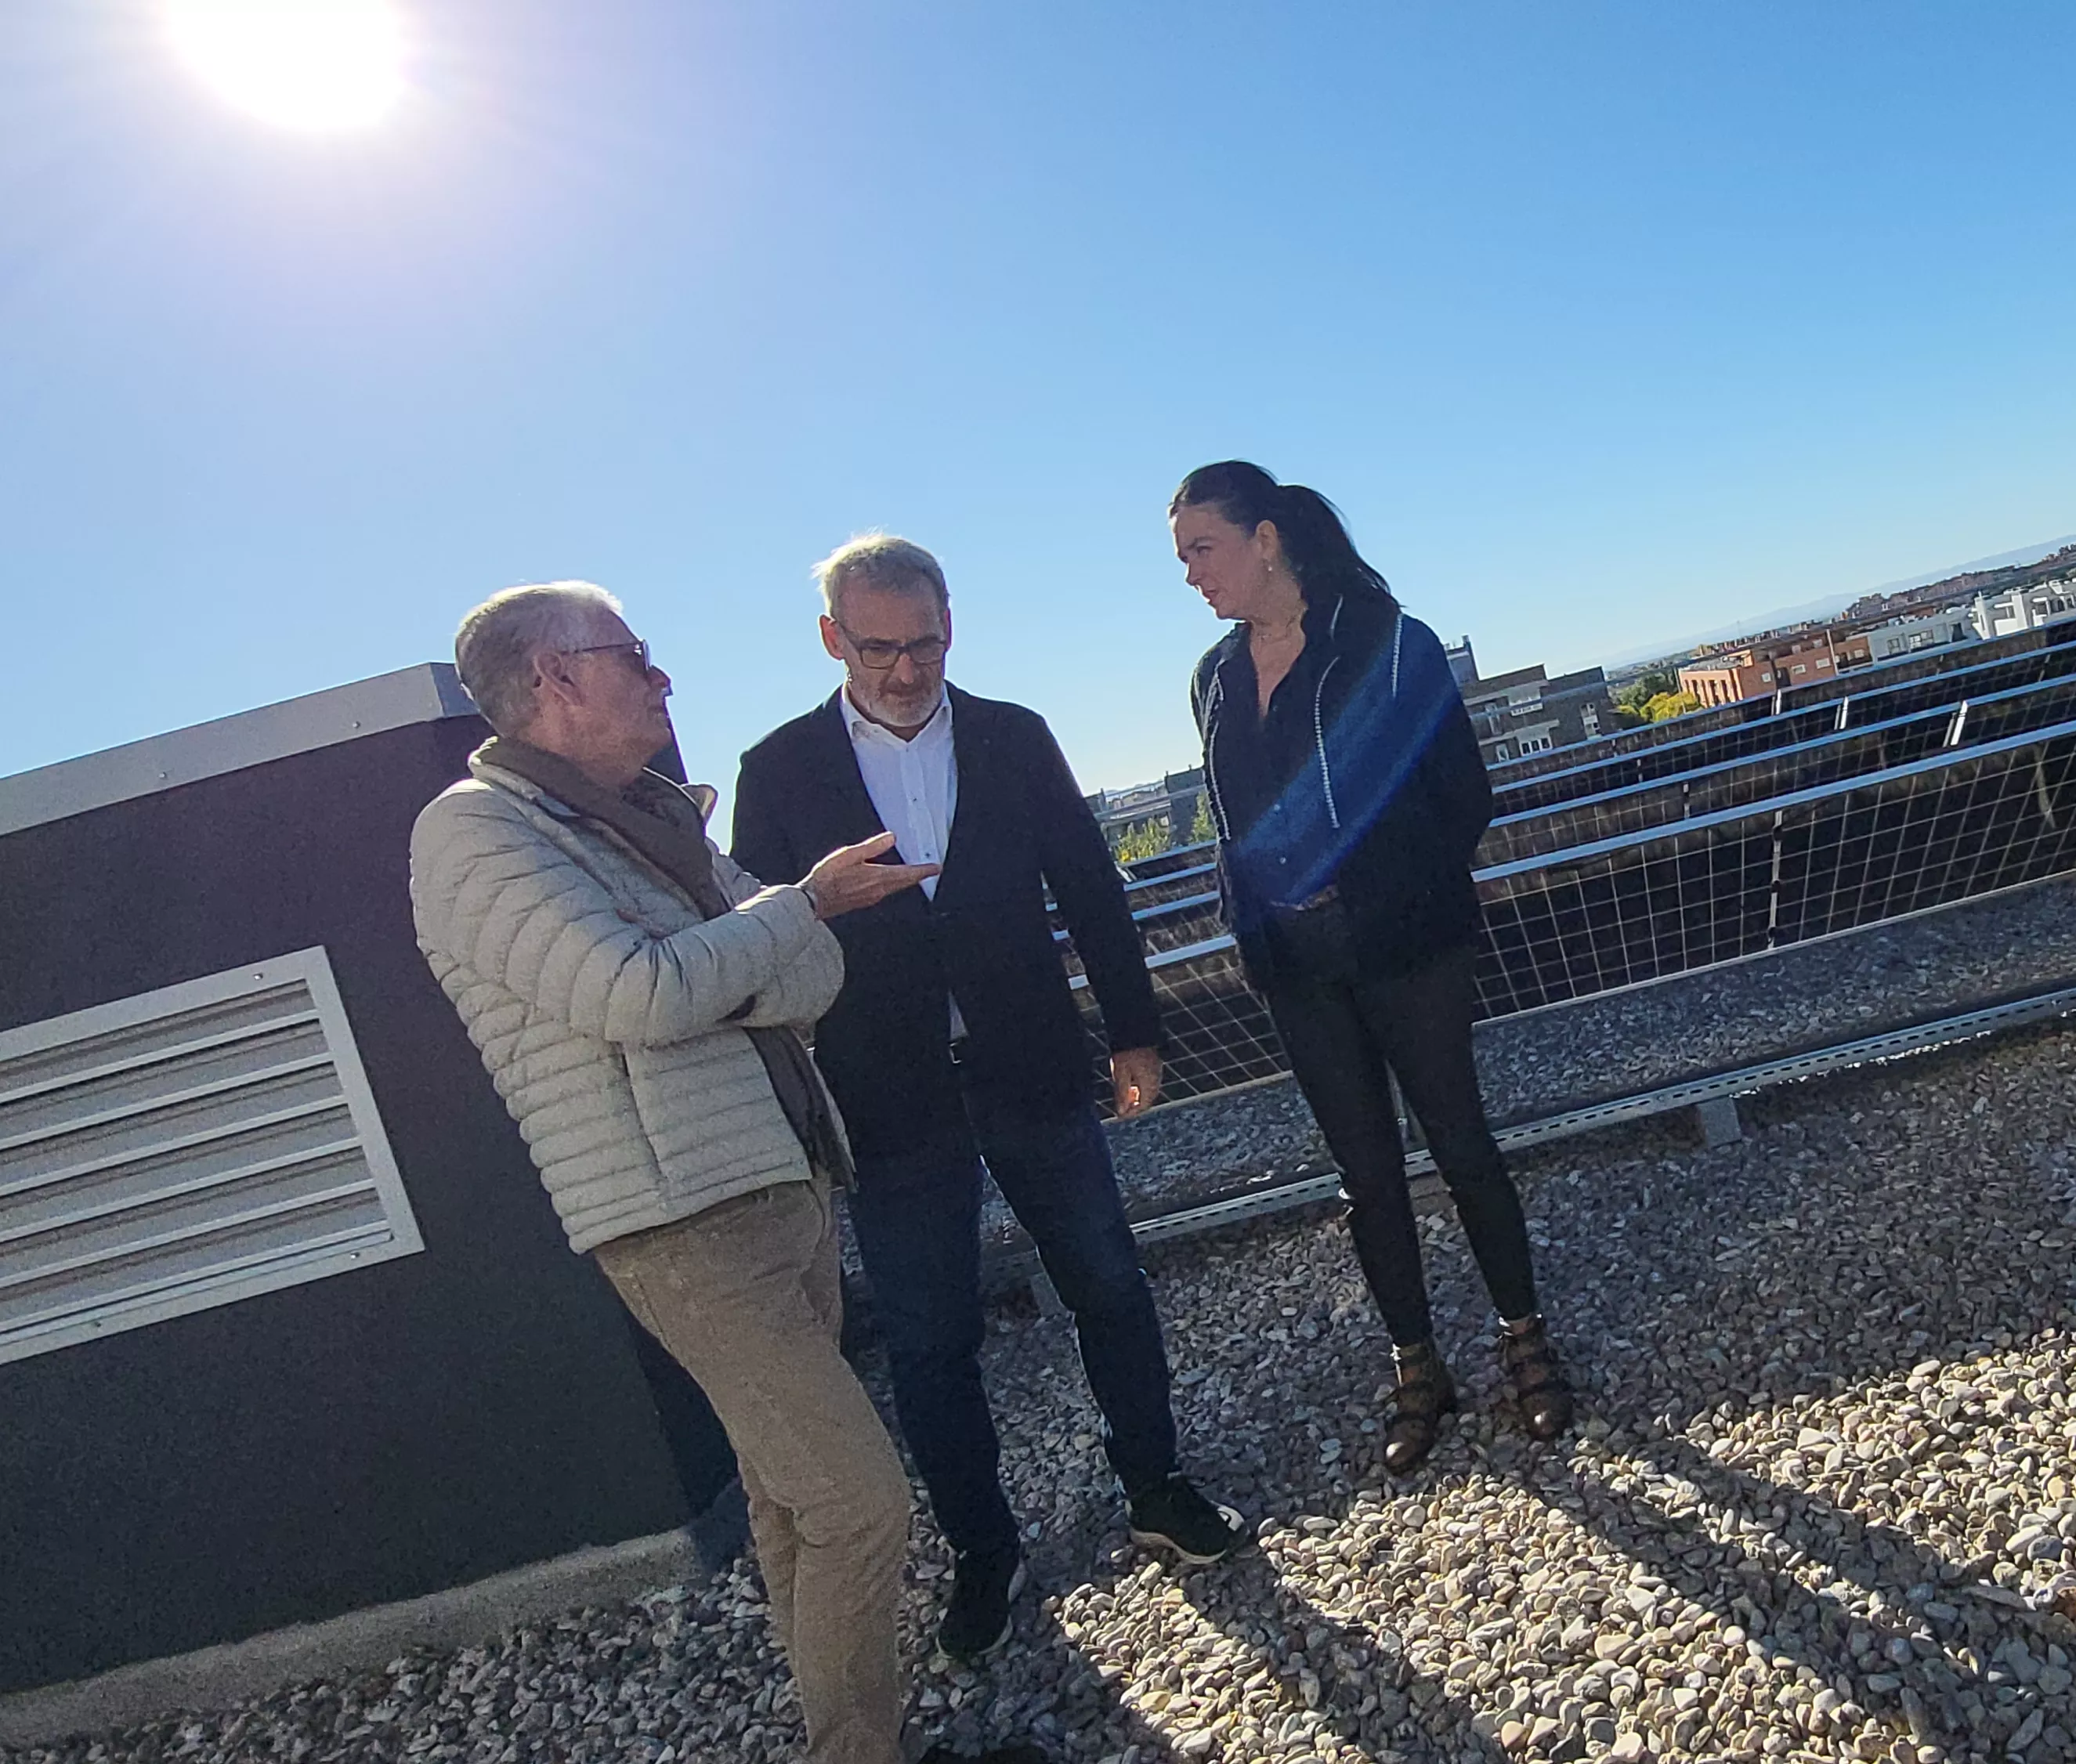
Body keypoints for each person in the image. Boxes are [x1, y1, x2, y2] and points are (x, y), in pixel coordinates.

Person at [411, 582, 1023, 1764]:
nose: (662, 678)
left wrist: (732, 966)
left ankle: (845, 1742)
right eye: (632, 656)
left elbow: (810, 984)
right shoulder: (474, 833)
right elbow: (641, 995)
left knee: (793, 1503)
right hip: (676, 1222)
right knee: (857, 1500)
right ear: (554, 680)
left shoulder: (644, 820)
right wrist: (794, 911)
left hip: (778, 1181)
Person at [732, 534, 1250, 1664]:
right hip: (887, 1099)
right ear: (832, 640)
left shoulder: (1015, 736)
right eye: (881, 649)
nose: (908, 670)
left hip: (1032, 1069)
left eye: (926, 643)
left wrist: (1136, 1032)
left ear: (951, 625)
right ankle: (984, 1552)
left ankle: (1157, 1489)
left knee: (1109, 1285)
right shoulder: (776, 771)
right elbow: (756, 954)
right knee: (929, 1343)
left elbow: (1092, 892)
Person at [1171, 461, 1573, 1474]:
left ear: (1265, 539)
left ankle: (1527, 1343)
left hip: (1407, 948)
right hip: (1295, 969)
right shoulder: (1212, 678)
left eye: (1200, 550)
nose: (1189, 575)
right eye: (1181, 558)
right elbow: (1233, 822)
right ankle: (1416, 1366)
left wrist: (1376, 889)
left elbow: (1463, 798)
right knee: (1365, 1176)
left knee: (1462, 1145)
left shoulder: (1392, 645)